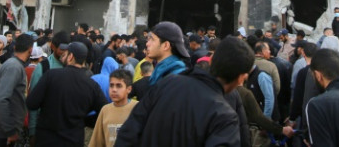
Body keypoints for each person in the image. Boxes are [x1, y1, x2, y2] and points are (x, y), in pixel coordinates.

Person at [115, 36, 254, 147]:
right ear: (242, 78)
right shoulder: (225, 117)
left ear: (211, 59)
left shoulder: (167, 83)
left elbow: (128, 132)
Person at [26, 42, 107, 145]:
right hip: (73, 139)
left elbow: (31, 103)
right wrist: (84, 119)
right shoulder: (91, 85)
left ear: (71, 56)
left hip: (46, 139)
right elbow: (105, 110)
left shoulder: (51, 76)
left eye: (65, 54)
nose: (62, 57)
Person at [0, 33, 34, 147]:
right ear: (30, 50)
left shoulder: (15, 65)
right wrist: (10, 130)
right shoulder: (14, 67)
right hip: (2, 134)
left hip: (5, 131)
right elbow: (0, 100)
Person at [89, 69, 137, 147]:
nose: (114, 90)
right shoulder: (105, 110)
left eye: (119, 86)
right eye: (111, 85)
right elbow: (97, 141)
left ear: (129, 89)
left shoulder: (137, 108)